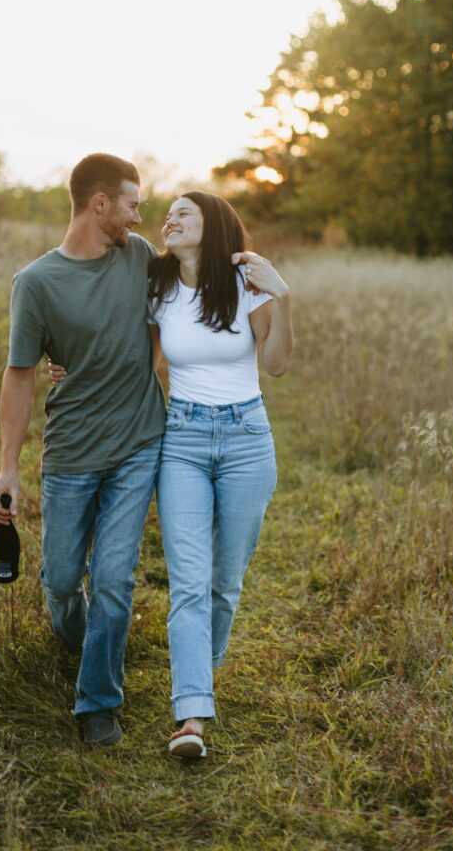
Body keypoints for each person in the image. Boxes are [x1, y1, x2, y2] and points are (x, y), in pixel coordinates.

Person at [0, 152, 165, 749]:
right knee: (63, 581)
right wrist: (8, 468)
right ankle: (89, 638)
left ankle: (98, 702)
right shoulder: (35, 283)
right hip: (71, 453)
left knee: (114, 578)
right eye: (132, 205)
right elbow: (18, 375)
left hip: (140, 443)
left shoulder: (139, 258)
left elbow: (179, 304)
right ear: (100, 205)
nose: (139, 218)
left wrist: (148, 365)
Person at [148, 191, 292, 757]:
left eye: (184, 212)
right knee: (187, 581)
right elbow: (141, 359)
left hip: (247, 441)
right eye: (169, 214)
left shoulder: (247, 282)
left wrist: (284, 301)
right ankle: (191, 716)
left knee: (223, 583)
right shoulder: (158, 285)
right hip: (181, 438)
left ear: (214, 225)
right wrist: (69, 367)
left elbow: (276, 365)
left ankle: (196, 678)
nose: (171, 219)